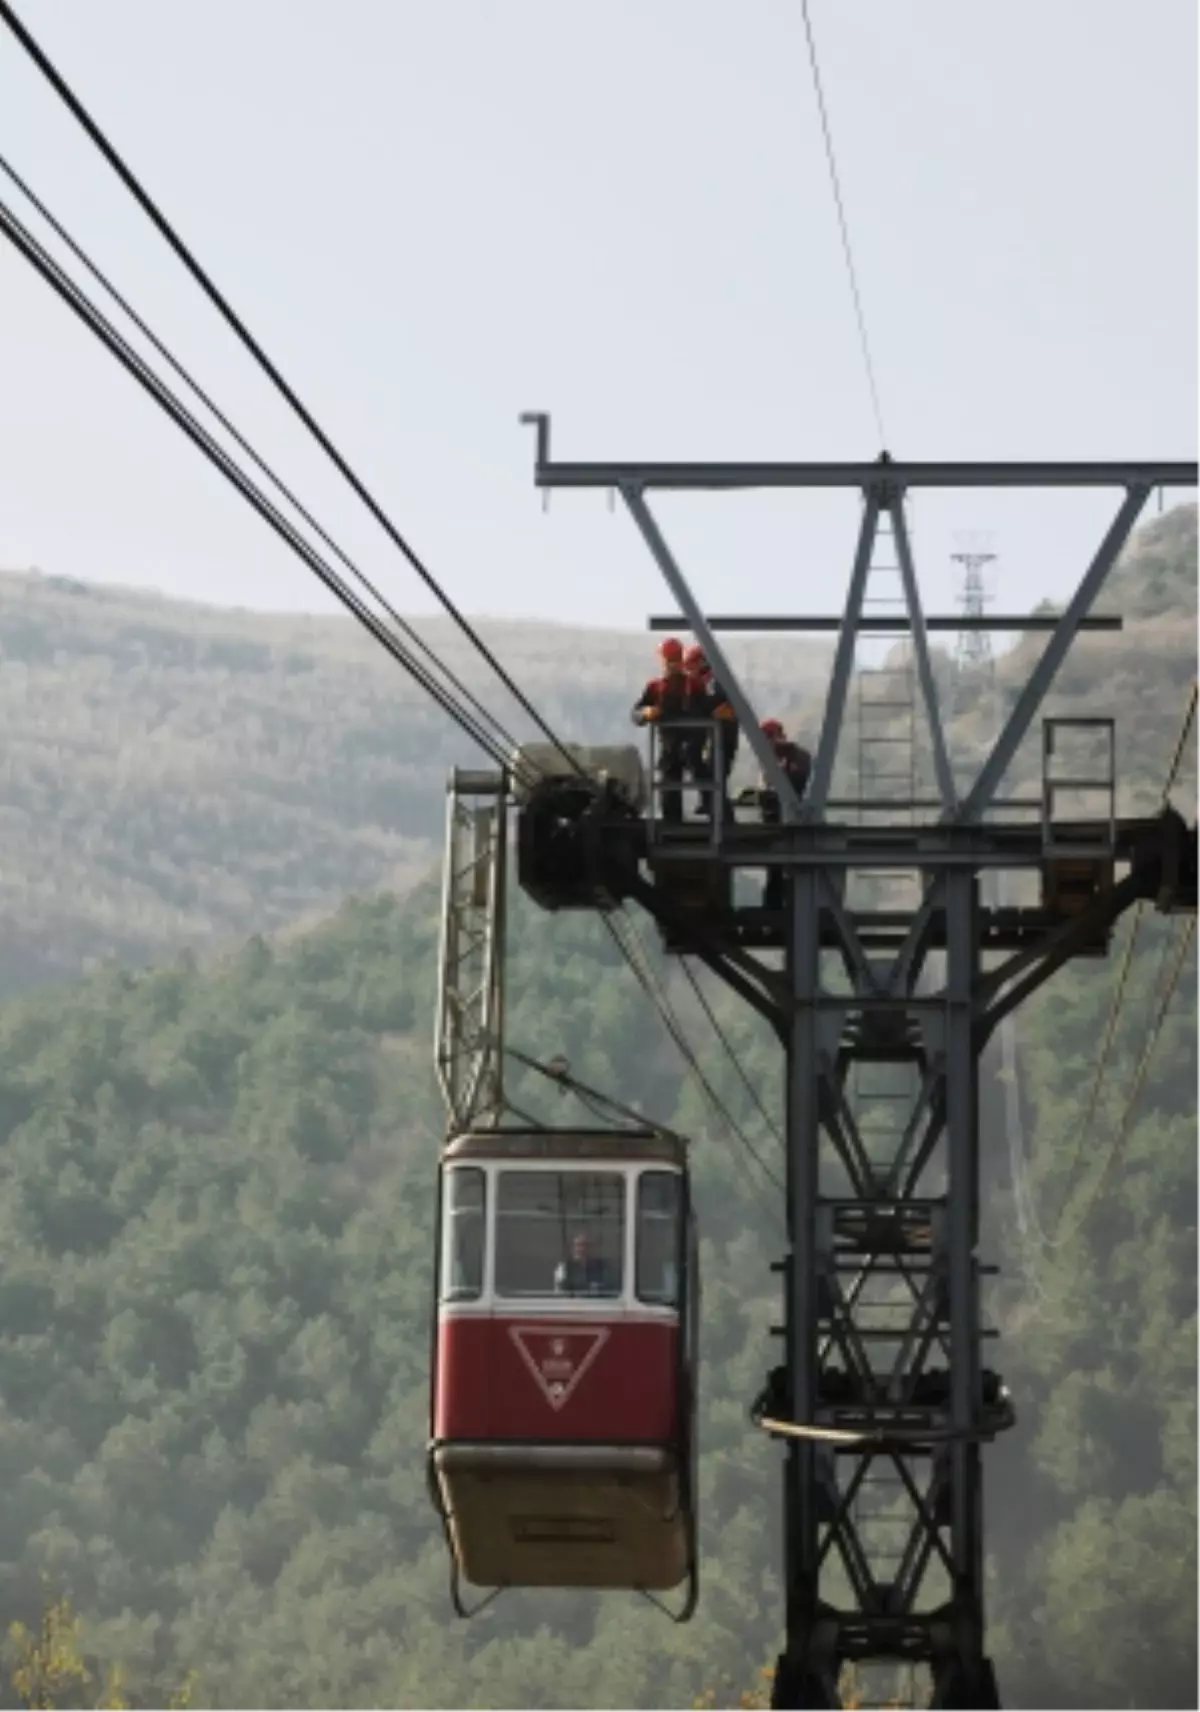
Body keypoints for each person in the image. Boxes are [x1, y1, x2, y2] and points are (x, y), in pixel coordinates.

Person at [631, 637, 694, 824]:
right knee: (669, 786)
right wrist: (646, 713)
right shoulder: (656, 687)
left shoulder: (691, 685)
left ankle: (717, 820)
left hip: (691, 743)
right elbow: (635, 713)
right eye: (668, 659)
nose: (670, 663)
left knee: (703, 779)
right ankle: (673, 824)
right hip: (669, 745)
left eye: (673, 658)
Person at [758, 718, 813, 909]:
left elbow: (796, 782)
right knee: (775, 873)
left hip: (790, 823)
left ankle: (785, 913)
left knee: (787, 873)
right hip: (775, 823)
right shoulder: (774, 760)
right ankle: (774, 915)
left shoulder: (796, 757)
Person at [684, 644, 738, 820]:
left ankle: (720, 814)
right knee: (712, 772)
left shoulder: (714, 682)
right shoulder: (710, 682)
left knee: (716, 773)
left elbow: (716, 704)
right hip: (718, 735)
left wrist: (695, 708)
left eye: (691, 665)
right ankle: (713, 807)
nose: (689, 670)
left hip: (723, 736)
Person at [554, 1229, 618, 1295]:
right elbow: (560, 1295)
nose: (582, 1249)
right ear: (572, 1248)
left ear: (594, 1248)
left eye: (586, 1245)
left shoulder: (604, 1268)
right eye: (578, 1245)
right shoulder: (564, 1268)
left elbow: (613, 1293)